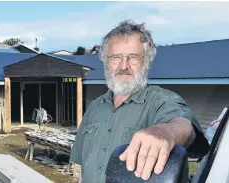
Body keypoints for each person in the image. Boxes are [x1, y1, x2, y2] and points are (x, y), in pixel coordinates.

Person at [70, 20, 210, 183]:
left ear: (147, 62)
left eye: (133, 57)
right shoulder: (94, 107)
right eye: (116, 57)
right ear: (105, 61)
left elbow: (184, 126)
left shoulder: (162, 100)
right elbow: (84, 167)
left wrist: (165, 133)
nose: (124, 65)